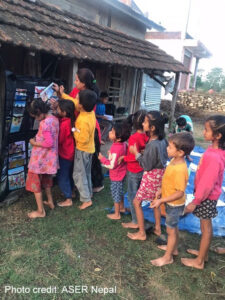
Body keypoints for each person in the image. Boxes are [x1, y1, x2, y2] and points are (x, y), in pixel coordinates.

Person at [181, 115, 225, 269]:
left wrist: (195, 201)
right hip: (207, 196)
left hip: (206, 197)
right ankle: (203, 254)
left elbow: (207, 184)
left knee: (205, 228)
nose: (204, 132)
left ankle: (199, 261)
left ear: (218, 136)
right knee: (205, 226)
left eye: (207, 130)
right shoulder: (215, 151)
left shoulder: (214, 156)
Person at [53, 68, 104, 193]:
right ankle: (82, 186)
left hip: (85, 130)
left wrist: (74, 130)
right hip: (78, 128)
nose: (75, 82)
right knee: (83, 162)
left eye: (77, 80)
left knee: (90, 162)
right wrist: (61, 95)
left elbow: (73, 104)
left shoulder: (88, 96)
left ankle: (94, 185)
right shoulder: (78, 91)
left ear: (84, 83)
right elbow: (70, 102)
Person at [150, 132, 195, 267]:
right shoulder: (173, 162)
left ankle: (168, 257)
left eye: (170, 147)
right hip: (169, 201)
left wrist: (161, 201)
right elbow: (168, 182)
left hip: (174, 205)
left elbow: (180, 193)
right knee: (172, 228)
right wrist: (160, 191)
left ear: (180, 152)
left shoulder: (181, 169)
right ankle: (173, 249)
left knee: (170, 230)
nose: (167, 149)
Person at [127, 111, 168, 240]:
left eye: (145, 122)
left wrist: (136, 153)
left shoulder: (152, 144)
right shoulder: (162, 140)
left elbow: (146, 166)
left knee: (136, 202)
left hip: (151, 176)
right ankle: (157, 228)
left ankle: (142, 233)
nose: (143, 124)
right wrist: (147, 153)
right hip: (160, 175)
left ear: (152, 128)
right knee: (154, 202)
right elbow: (159, 156)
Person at [26, 99, 59, 218]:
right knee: (46, 179)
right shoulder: (54, 119)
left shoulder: (44, 123)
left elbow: (48, 143)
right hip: (49, 159)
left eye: (35, 116)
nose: (35, 119)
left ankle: (40, 211)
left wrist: (34, 143)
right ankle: (50, 202)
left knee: (35, 180)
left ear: (39, 111)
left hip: (40, 159)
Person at [118, 110, 149, 229]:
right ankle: (138, 215)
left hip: (133, 171)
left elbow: (132, 157)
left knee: (132, 195)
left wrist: (124, 157)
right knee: (139, 195)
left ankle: (135, 221)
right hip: (143, 169)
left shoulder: (134, 138)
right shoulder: (147, 136)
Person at [99, 123, 131, 220]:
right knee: (120, 192)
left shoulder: (116, 148)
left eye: (112, 132)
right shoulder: (123, 144)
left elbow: (112, 165)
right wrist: (110, 155)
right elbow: (115, 159)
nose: (109, 132)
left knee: (116, 194)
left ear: (118, 138)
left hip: (116, 175)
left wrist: (102, 159)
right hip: (121, 173)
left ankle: (117, 214)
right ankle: (121, 208)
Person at [73, 89, 97, 210]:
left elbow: (82, 139)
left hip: (82, 150)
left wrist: (74, 131)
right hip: (89, 150)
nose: (75, 100)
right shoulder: (90, 113)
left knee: (78, 175)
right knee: (86, 173)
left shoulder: (82, 120)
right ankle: (89, 193)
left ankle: (86, 199)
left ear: (81, 105)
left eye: (76, 99)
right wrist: (63, 95)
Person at [56, 100, 75, 207]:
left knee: (62, 176)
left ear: (64, 112)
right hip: (70, 153)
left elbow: (60, 140)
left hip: (65, 154)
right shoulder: (69, 120)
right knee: (69, 174)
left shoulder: (64, 125)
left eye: (58, 108)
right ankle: (71, 192)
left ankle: (68, 199)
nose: (57, 109)